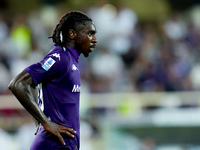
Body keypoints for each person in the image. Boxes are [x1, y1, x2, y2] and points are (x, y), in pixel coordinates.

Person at [8, 10, 97, 150]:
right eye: (90, 33)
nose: (94, 39)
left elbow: (33, 86)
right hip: (53, 145)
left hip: (63, 144)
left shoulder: (71, 60)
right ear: (73, 34)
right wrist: (45, 122)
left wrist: (40, 120)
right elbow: (18, 84)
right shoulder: (60, 57)